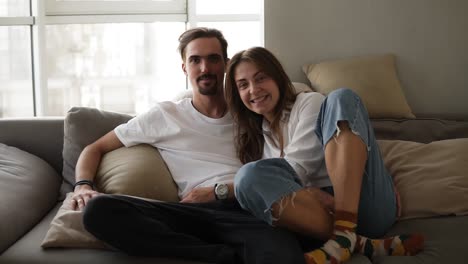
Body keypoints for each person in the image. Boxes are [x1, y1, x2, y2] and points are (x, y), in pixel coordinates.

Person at [71, 28, 307, 264]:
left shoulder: (251, 107)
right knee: (99, 211)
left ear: (225, 64)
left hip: (248, 210)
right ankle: (216, 254)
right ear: (185, 67)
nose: (205, 68)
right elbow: (94, 148)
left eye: (213, 59)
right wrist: (82, 185)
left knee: (283, 253)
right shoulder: (165, 115)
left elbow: (291, 121)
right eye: (195, 60)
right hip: (193, 214)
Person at [224, 47, 424, 264]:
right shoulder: (258, 137)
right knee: (247, 177)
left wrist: (305, 191)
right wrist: (308, 193)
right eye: (243, 85)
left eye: (261, 78)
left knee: (342, 97)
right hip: (318, 216)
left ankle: (345, 233)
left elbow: (298, 169)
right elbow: (271, 189)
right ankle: (354, 242)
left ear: (277, 77)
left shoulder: (310, 103)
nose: (253, 90)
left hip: (363, 203)